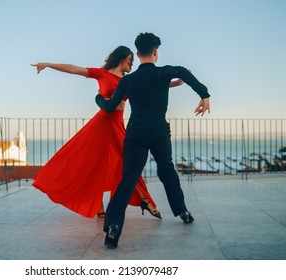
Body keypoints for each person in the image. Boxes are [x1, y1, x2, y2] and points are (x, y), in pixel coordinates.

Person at [31, 46, 184, 219]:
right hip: (101, 124)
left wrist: (174, 83)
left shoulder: (130, 80)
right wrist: (48, 64)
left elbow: (150, 84)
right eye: (130, 61)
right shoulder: (101, 73)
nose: (131, 65)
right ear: (123, 58)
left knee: (129, 164)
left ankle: (145, 200)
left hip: (118, 125)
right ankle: (100, 205)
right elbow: (74, 69)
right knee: (94, 163)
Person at [96, 33, 210, 249]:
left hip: (136, 131)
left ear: (137, 54)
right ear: (155, 52)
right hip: (158, 130)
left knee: (128, 179)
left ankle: (113, 228)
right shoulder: (162, 73)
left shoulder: (128, 80)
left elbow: (110, 107)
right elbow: (183, 72)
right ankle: (183, 211)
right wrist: (204, 95)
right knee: (166, 170)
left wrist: (98, 99)